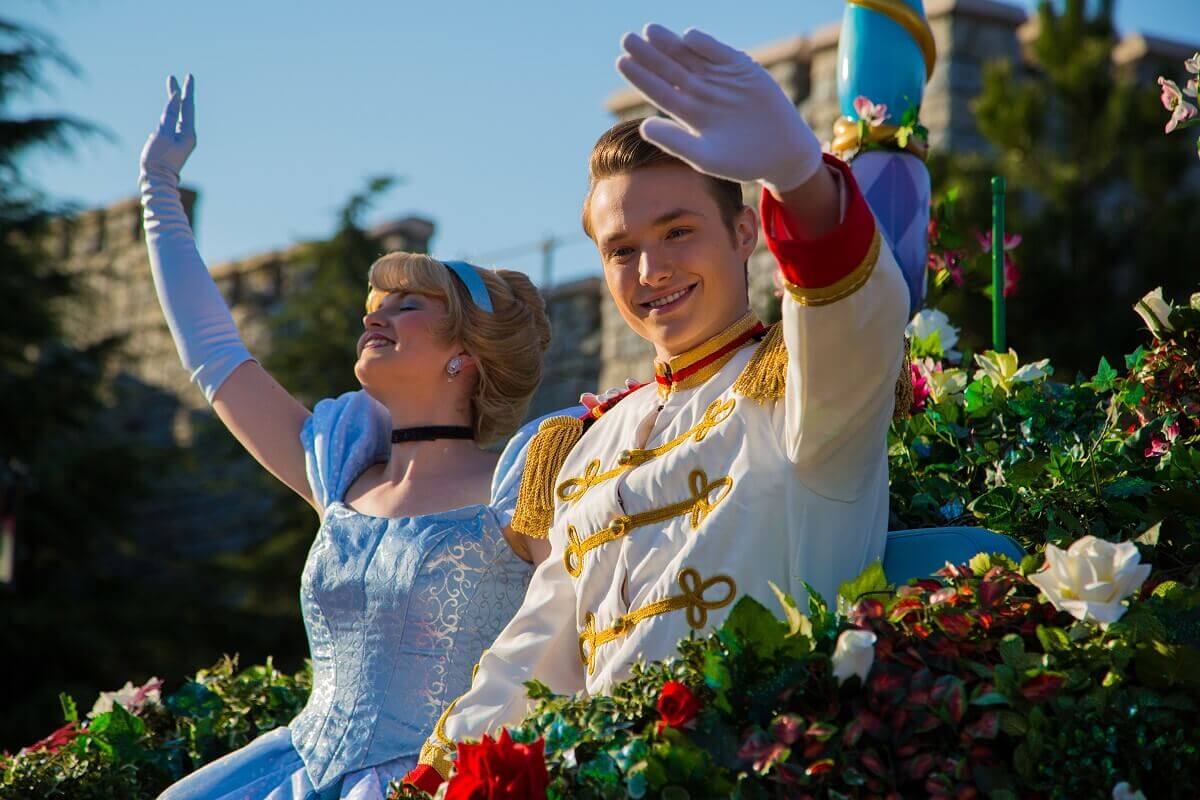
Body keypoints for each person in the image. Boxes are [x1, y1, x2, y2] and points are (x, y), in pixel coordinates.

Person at [405, 24, 909, 792]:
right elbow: (533, 658)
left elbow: (852, 316)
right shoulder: (582, 448)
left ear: (745, 231)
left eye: (678, 231)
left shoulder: (797, 386)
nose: (651, 269)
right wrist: (441, 780)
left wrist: (801, 178)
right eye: (620, 248)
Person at [140, 75, 558, 799]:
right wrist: (159, 192)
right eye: (374, 303)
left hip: (428, 783)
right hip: (291, 774)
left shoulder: (520, 486)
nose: (377, 314)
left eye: (408, 305)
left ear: (468, 352)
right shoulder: (338, 473)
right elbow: (214, 355)